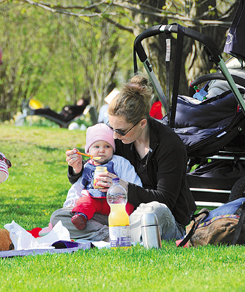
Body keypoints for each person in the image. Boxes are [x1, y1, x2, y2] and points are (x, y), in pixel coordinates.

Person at [52, 75, 196, 243]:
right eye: (111, 128)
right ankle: (115, 236)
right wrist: (76, 168)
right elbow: (93, 166)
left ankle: (113, 236)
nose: (114, 136)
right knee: (60, 217)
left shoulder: (169, 145)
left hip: (163, 218)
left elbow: (165, 200)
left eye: (120, 131)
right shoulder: (120, 138)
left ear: (142, 124)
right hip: (119, 216)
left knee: (154, 211)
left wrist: (122, 186)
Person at [66, 123, 142, 230]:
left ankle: (124, 225)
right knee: (83, 202)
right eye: (96, 146)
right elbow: (78, 186)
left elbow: (134, 182)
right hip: (93, 202)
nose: (102, 150)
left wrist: (119, 186)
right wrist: (69, 204)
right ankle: (81, 218)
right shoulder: (87, 166)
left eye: (107, 146)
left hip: (115, 203)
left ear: (113, 149)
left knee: (127, 206)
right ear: (88, 151)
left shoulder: (120, 162)